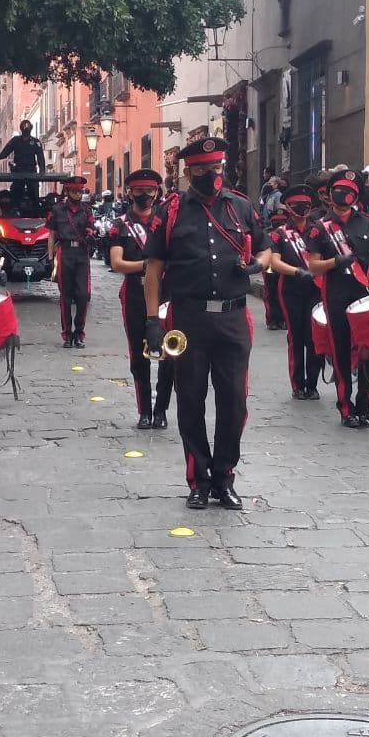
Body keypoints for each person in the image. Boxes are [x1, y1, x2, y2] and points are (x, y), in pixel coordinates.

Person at [144, 137, 268, 510]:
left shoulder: (242, 208)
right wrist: (152, 320)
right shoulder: (170, 213)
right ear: (187, 172)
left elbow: (265, 246)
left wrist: (257, 264)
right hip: (188, 320)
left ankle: (224, 478)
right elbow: (153, 270)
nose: (211, 175)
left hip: (233, 318)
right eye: (201, 170)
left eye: (216, 168)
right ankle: (198, 480)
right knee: (191, 399)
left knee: (235, 401)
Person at [306, 169, 369, 429]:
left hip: (365, 293)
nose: (343, 195)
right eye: (339, 190)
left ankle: (364, 407)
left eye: (349, 191)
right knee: (342, 351)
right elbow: (313, 265)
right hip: (336, 293)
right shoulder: (319, 228)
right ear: (330, 194)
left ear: (356, 196)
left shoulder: (367, 223)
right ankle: (346, 408)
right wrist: (335, 261)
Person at [108, 169, 173, 430]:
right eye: (139, 191)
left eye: (150, 190)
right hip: (134, 293)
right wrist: (148, 265)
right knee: (139, 354)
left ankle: (161, 410)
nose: (145, 195)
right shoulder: (120, 224)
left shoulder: (168, 221)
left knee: (170, 352)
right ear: (129, 192)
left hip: (168, 294)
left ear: (157, 192)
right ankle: (144, 410)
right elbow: (116, 263)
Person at [268, 184, 323, 401]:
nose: (302, 209)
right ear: (288, 208)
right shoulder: (279, 234)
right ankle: (298, 384)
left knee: (314, 337)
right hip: (291, 288)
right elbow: (274, 262)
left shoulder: (319, 230)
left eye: (306, 205)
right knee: (296, 336)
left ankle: (313, 384)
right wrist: (297, 272)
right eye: (297, 206)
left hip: (316, 289)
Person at [47, 175, 94, 348]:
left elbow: (92, 228)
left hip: (82, 253)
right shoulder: (57, 209)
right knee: (65, 296)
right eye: (74, 191)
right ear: (67, 191)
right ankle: (67, 334)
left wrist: (91, 235)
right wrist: (51, 258)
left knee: (83, 295)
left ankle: (79, 332)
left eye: (80, 191)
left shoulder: (87, 210)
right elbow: (51, 234)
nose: (78, 194)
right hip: (64, 252)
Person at [0, 119, 46, 208]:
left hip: (31, 172)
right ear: (21, 129)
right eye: (24, 128)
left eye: (27, 128)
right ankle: (15, 209)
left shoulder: (36, 142)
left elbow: (40, 158)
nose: (26, 130)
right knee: (16, 192)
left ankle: (35, 210)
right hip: (18, 171)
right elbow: (5, 153)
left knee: (34, 193)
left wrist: (42, 172)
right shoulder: (15, 140)